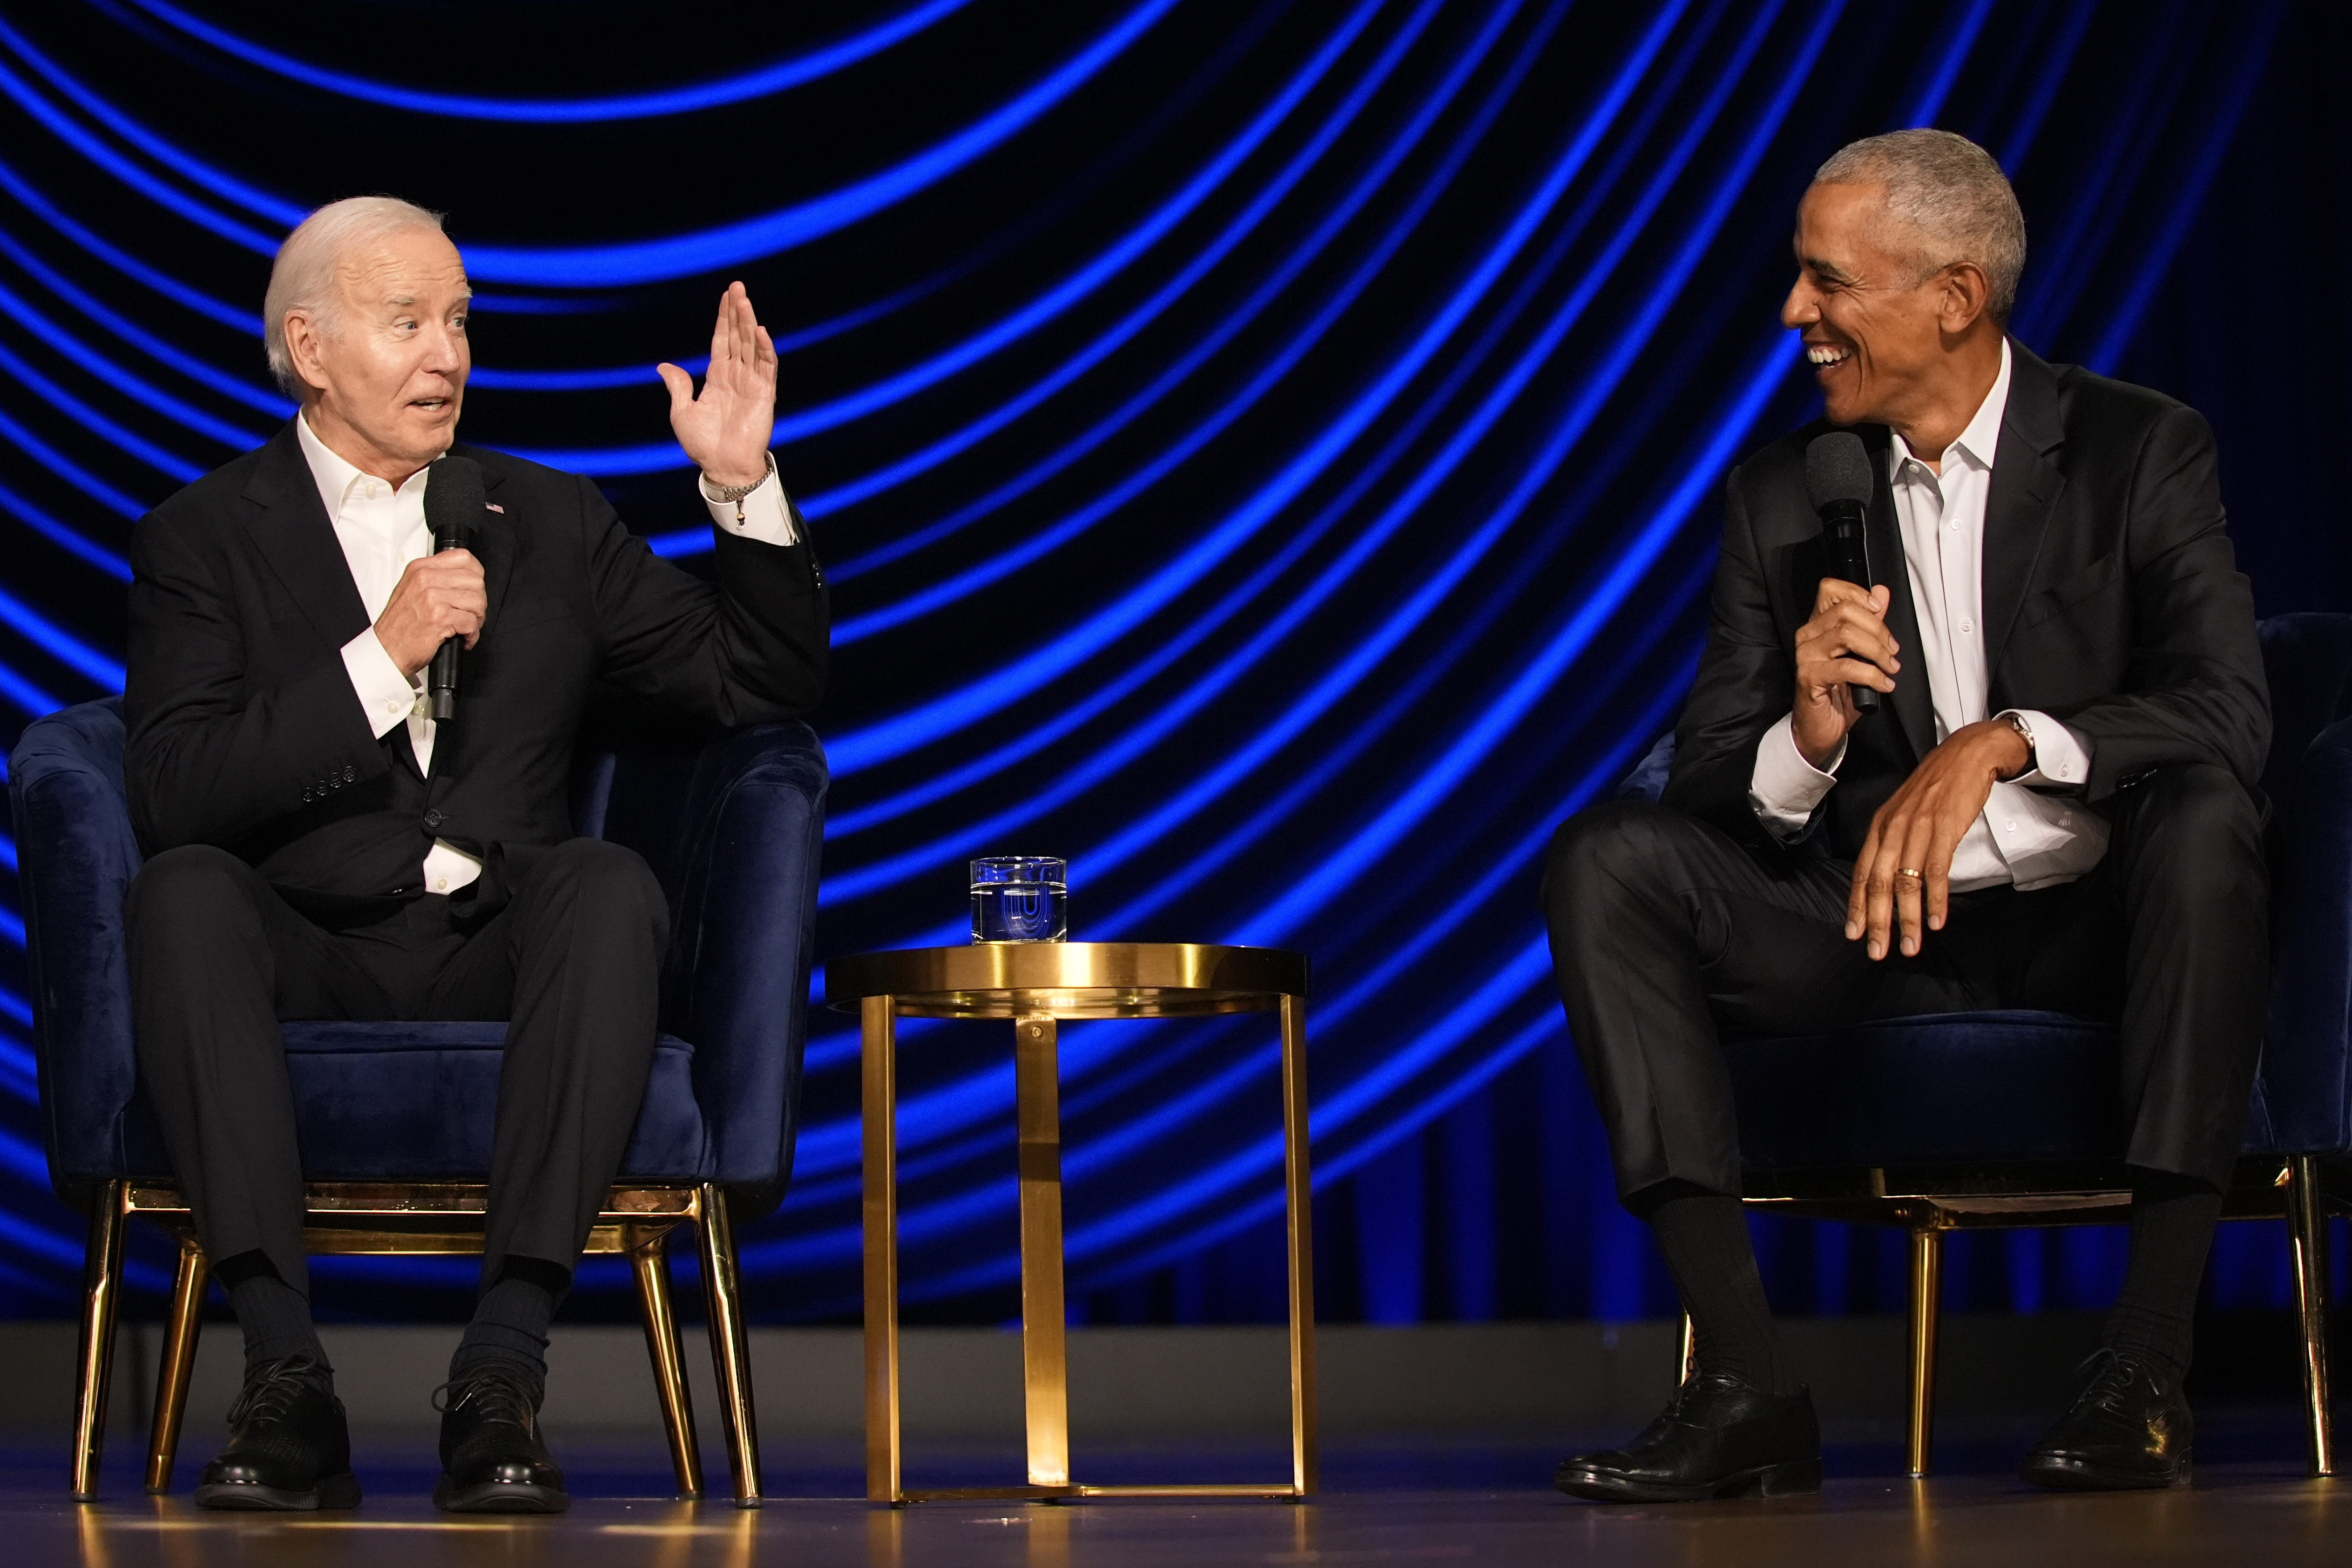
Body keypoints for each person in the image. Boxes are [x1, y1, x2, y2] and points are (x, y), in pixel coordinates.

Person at [1542, 129, 2267, 1501]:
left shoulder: (2135, 448)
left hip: (2089, 921)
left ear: (1952, 296)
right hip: (1865, 928)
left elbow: (2225, 708)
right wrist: (1806, 735)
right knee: (1607, 864)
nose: (1792, 317)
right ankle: (1744, 1380)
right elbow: (1707, 782)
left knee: (2208, 821)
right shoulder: (1784, 496)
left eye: (1826, 283)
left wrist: (1997, 744)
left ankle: (2143, 1367)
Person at [121, 196, 828, 1514]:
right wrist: (378, 658)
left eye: (458, 321)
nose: (447, 354)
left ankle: (499, 1377)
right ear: (310, 347)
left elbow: (761, 679)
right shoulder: (202, 537)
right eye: (407, 324)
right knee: (180, 892)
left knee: (610, 885)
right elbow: (172, 789)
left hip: (507, 953)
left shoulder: (548, 519)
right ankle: (285, 1379)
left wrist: (737, 485)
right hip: (306, 954)